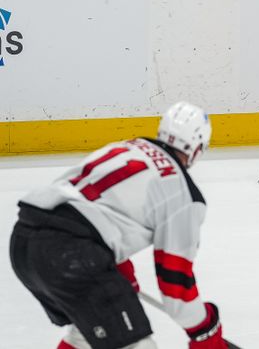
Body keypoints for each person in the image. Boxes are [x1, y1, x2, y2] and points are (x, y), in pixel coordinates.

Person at [9, 102, 229, 349]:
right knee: (138, 345)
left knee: (86, 336)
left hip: (24, 241)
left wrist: (117, 271)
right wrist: (205, 329)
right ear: (198, 148)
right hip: (72, 255)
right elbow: (176, 286)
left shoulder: (125, 147)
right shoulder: (183, 194)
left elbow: (85, 206)